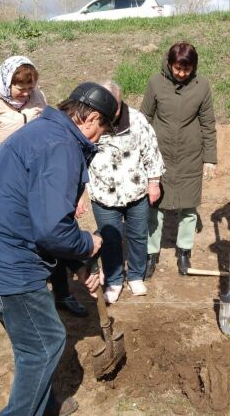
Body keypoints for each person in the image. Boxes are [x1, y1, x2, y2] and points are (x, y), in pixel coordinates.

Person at [0, 82, 119, 416]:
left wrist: (80, 262)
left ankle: (43, 408)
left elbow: (48, 216)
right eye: (103, 128)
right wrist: (90, 243)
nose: (101, 137)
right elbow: (51, 230)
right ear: (89, 119)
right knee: (44, 344)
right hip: (4, 261)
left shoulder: (47, 133)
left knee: (33, 344)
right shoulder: (60, 146)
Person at [0, 55, 86, 317]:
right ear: (5, 82)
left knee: (53, 234)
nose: (25, 94)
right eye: (20, 89)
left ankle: (63, 293)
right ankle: (32, 299)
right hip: (10, 182)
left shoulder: (37, 98)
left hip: (43, 177)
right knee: (25, 241)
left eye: (30, 89)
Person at [140, 41, 217, 276]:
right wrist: (141, 154)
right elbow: (144, 118)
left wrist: (210, 158)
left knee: (188, 206)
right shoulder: (155, 82)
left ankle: (184, 251)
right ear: (169, 64)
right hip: (159, 154)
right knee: (155, 206)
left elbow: (208, 124)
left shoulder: (202, 86)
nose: (182, 74)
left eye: (187, 69)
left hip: (190, 155)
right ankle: (151, 253)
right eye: (178, 69)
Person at [87, 80, 165, 303]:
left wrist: (154, 183)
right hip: (103, 194)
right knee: (110, 239)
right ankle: (113, 280)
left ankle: (135, 276)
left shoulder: (137, 120)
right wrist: (78, 193)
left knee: (138, 235)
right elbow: (78, 157)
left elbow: (151, 151)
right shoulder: (90, 122)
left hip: (136, 191)